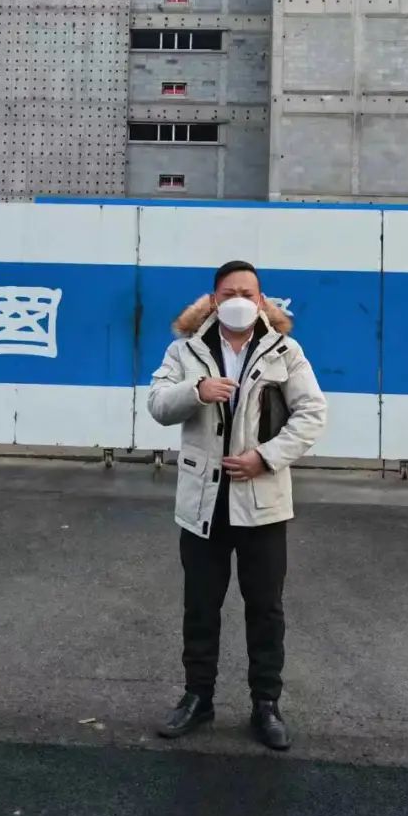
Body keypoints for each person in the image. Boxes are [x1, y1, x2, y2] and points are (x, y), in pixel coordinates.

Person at [147, 259, 327, 751]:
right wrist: (196, 391)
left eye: (248, 293)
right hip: (203, 503)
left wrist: (265, 458)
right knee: (200, 606)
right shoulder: (186, 350)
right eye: (229, 293)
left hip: (262, 502)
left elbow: (312, 414)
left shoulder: (284, 351)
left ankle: (266, 704)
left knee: (265, 608)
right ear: (213, 299)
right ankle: (197, 698)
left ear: (263, 300)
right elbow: (158, 404)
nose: (239, 301)